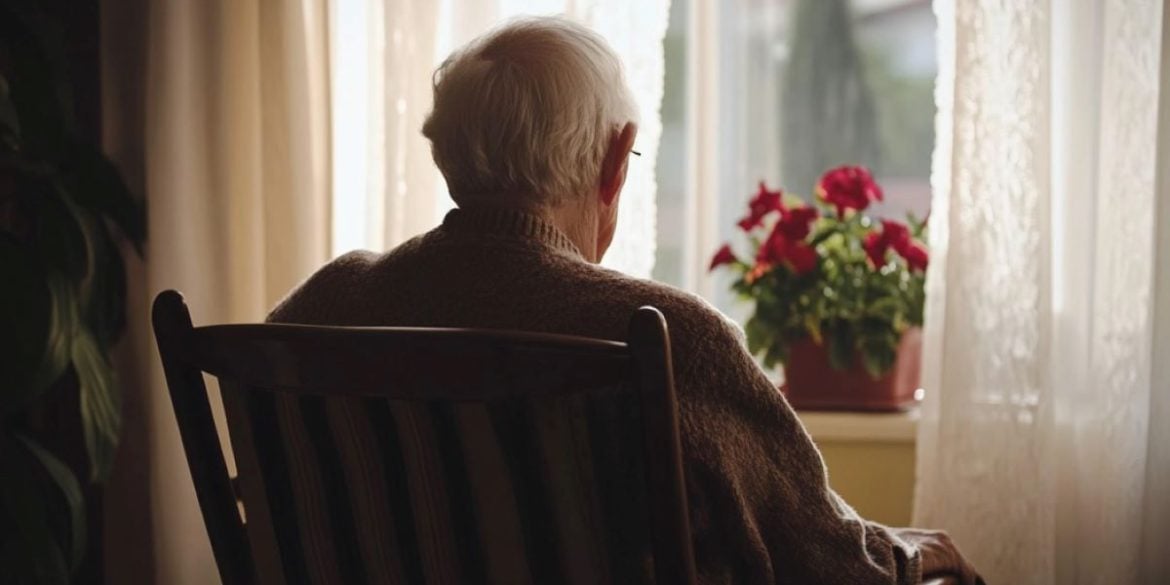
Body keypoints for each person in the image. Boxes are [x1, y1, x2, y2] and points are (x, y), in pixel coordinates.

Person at [270, 16, 981, 585]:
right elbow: (827, 563)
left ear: (444, 150)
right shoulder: (673, 337)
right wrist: (921, 554)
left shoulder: (323, 305)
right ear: (615, 162)